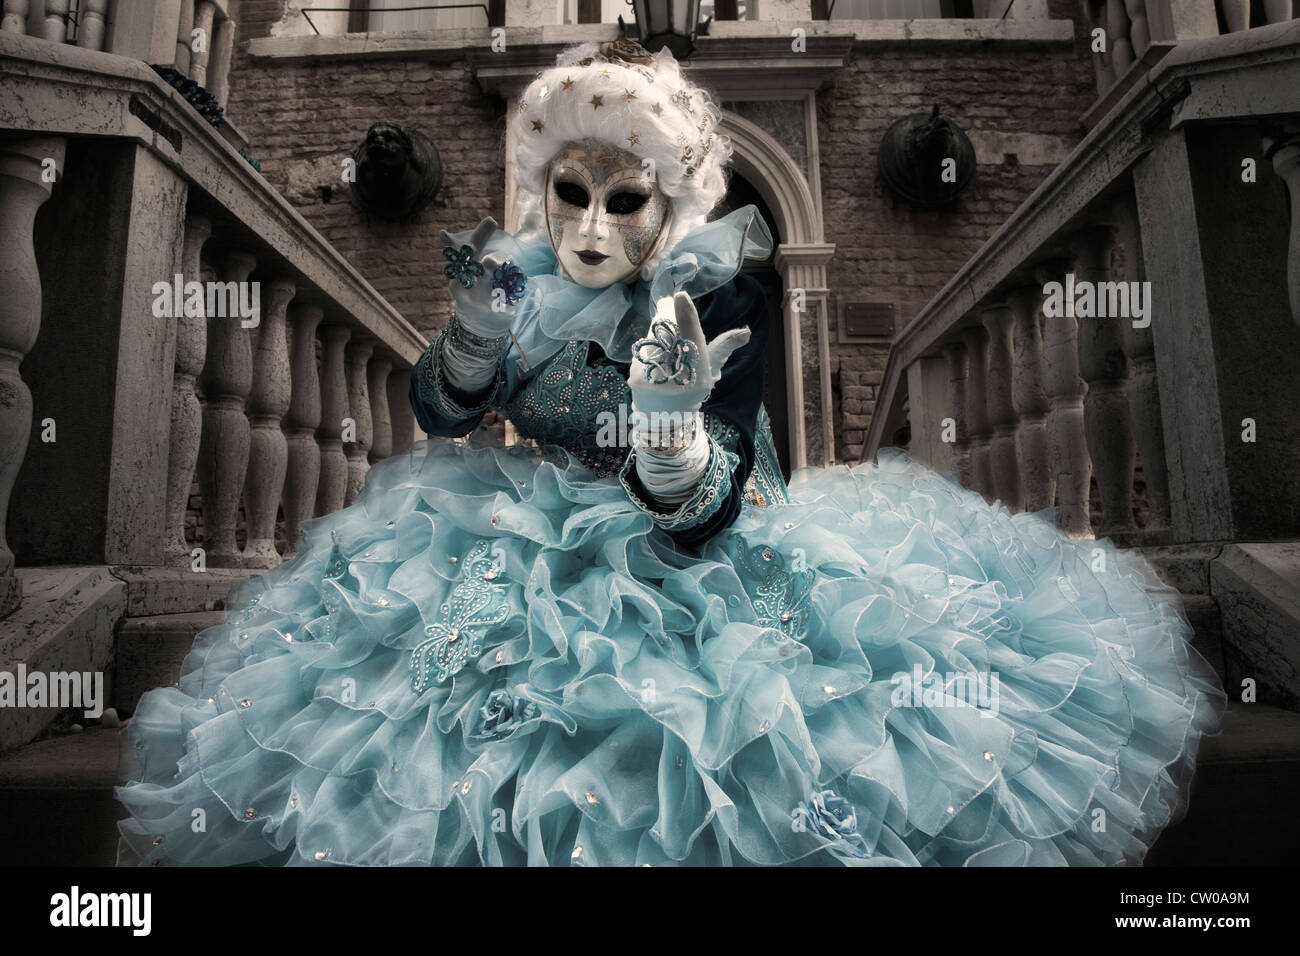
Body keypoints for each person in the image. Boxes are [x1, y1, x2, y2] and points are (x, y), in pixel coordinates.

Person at [116, 39, 1223, 867]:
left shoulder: (712, 298)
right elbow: (446, 416)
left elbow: (714, 504)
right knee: (405, 680)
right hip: (521, 534)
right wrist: (470, 343)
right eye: (570, 191)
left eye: (623, 198)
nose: (590, 225)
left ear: (668, 204)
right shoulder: (523, 283)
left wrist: (666, 424)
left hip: (705, 556)